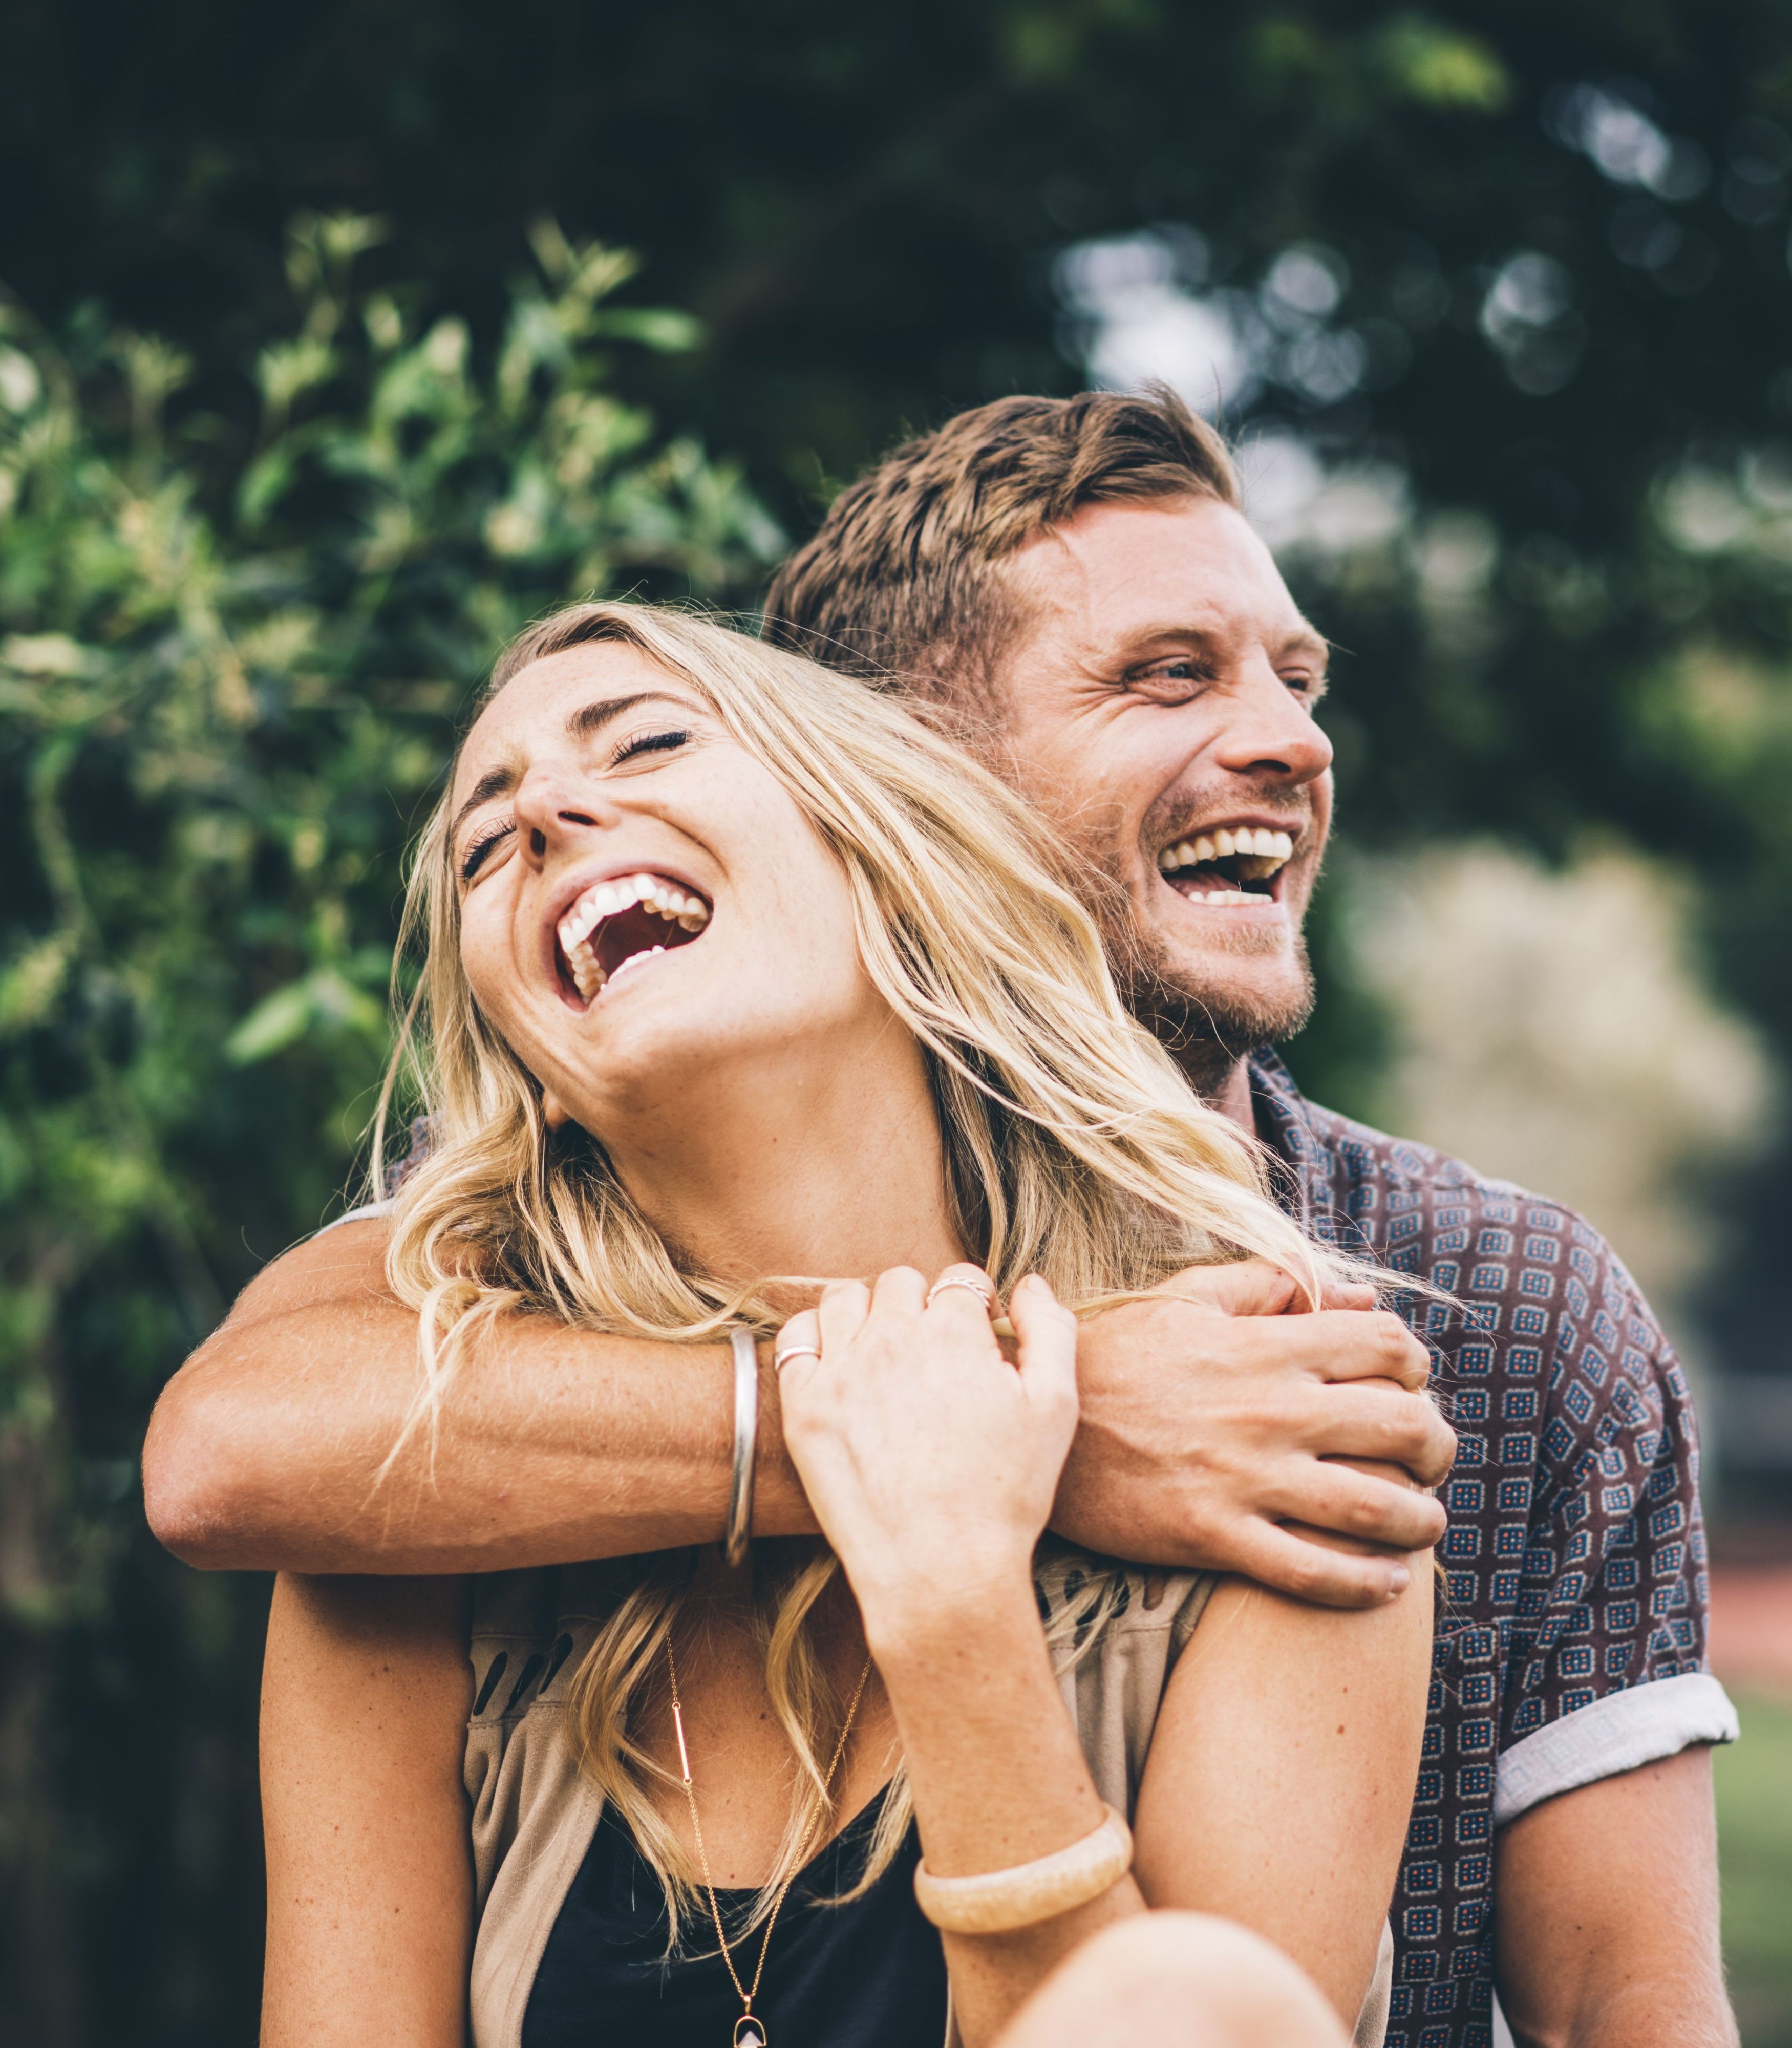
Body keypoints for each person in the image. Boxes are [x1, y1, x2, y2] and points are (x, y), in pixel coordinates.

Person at [145, 389, 1740, 2046]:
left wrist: (953, 1578)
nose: (1294, 740)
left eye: (1295, 678)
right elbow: (229, 1448)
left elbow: (1627, 2010)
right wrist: (981, 1423)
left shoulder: (1419, 1329)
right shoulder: (456, 1382)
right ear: (908, 791)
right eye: (1166, 675)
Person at [255, 600, 1433, 2047]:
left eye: (651, 742)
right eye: (485, 845)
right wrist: (875, 1433)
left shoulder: (1280, 1425)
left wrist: (951, 1611)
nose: (549, 812)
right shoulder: (416, 1526)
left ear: (885, 861)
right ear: (535, 1064)